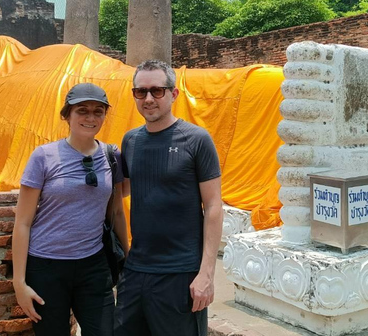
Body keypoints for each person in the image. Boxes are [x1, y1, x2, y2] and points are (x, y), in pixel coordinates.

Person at [115, 60, 223, 336]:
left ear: (173, 94)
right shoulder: (131, 141)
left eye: (157, 91)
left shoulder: (196, 140)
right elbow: (122, 191)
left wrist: (206, 274)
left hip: (181, 273)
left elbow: (213, 207)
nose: (148, 99)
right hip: (136, 271)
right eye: (141, 92)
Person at [12, 83, 128, 336]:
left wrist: (126, 261)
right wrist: (19, 283)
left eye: (98, 111)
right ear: (67, 115)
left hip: (93, 265)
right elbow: (23, 222)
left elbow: (117, 212)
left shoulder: (112, 156)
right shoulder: (44, 156)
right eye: (82, 110)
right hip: (46, 266)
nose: (91, 117)